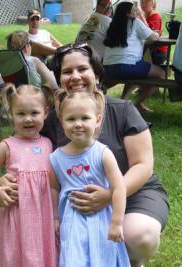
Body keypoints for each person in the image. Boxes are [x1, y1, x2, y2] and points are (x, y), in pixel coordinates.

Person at [0, 43, 169, 267]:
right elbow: (20, 150)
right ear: (59, 79)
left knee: (138, 235)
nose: (75, 77)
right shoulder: (49, 120)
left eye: (82, 69)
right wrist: (5, 178)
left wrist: (110, 195)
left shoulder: (122, 109)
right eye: (67, 72)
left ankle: (131, 262)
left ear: (96, 75)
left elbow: (143, 165)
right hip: (76, 202)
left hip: (132, 191)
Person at [50, 90, 130, 266]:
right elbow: (54, 188)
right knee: (73, 260)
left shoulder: (103, 153)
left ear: (98, 120)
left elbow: (119, 188)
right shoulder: (56, 158)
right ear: (62, 122)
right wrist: (55, 218)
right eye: (71, 119)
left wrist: (117, 222)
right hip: (71, 222)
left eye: (85, 118)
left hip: (101, 219)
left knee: (103, 259)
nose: (78, 124)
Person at [0, 84, 57, 266]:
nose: (28, 119)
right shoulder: (7, 146)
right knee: (15, 251)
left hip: (43, 211)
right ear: (11, 115)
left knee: (44, 250)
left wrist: (55, 216)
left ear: (45, 113)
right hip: (17, 212)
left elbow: (54, 184)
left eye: (34, 113)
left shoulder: (48, 144)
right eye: (20, 114)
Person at [103, 0, 165, 113]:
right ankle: (138, 103)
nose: (136, 11)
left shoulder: (111, 25)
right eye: (133, 10)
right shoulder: (134, 22)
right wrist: (157, 33)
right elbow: (154, 38)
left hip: (108, 68)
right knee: (160, 74)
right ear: (127, 13)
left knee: (133, 73)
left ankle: (123, 101)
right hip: (128, 67)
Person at [139, 0, 168, 65]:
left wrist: (141, 17)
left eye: (146, 2)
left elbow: (149, 34)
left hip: (157, 51)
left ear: (152, 3)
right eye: (141, 2)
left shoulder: (155, 16)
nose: (143, 5)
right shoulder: (145, 15)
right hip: (149, 48)